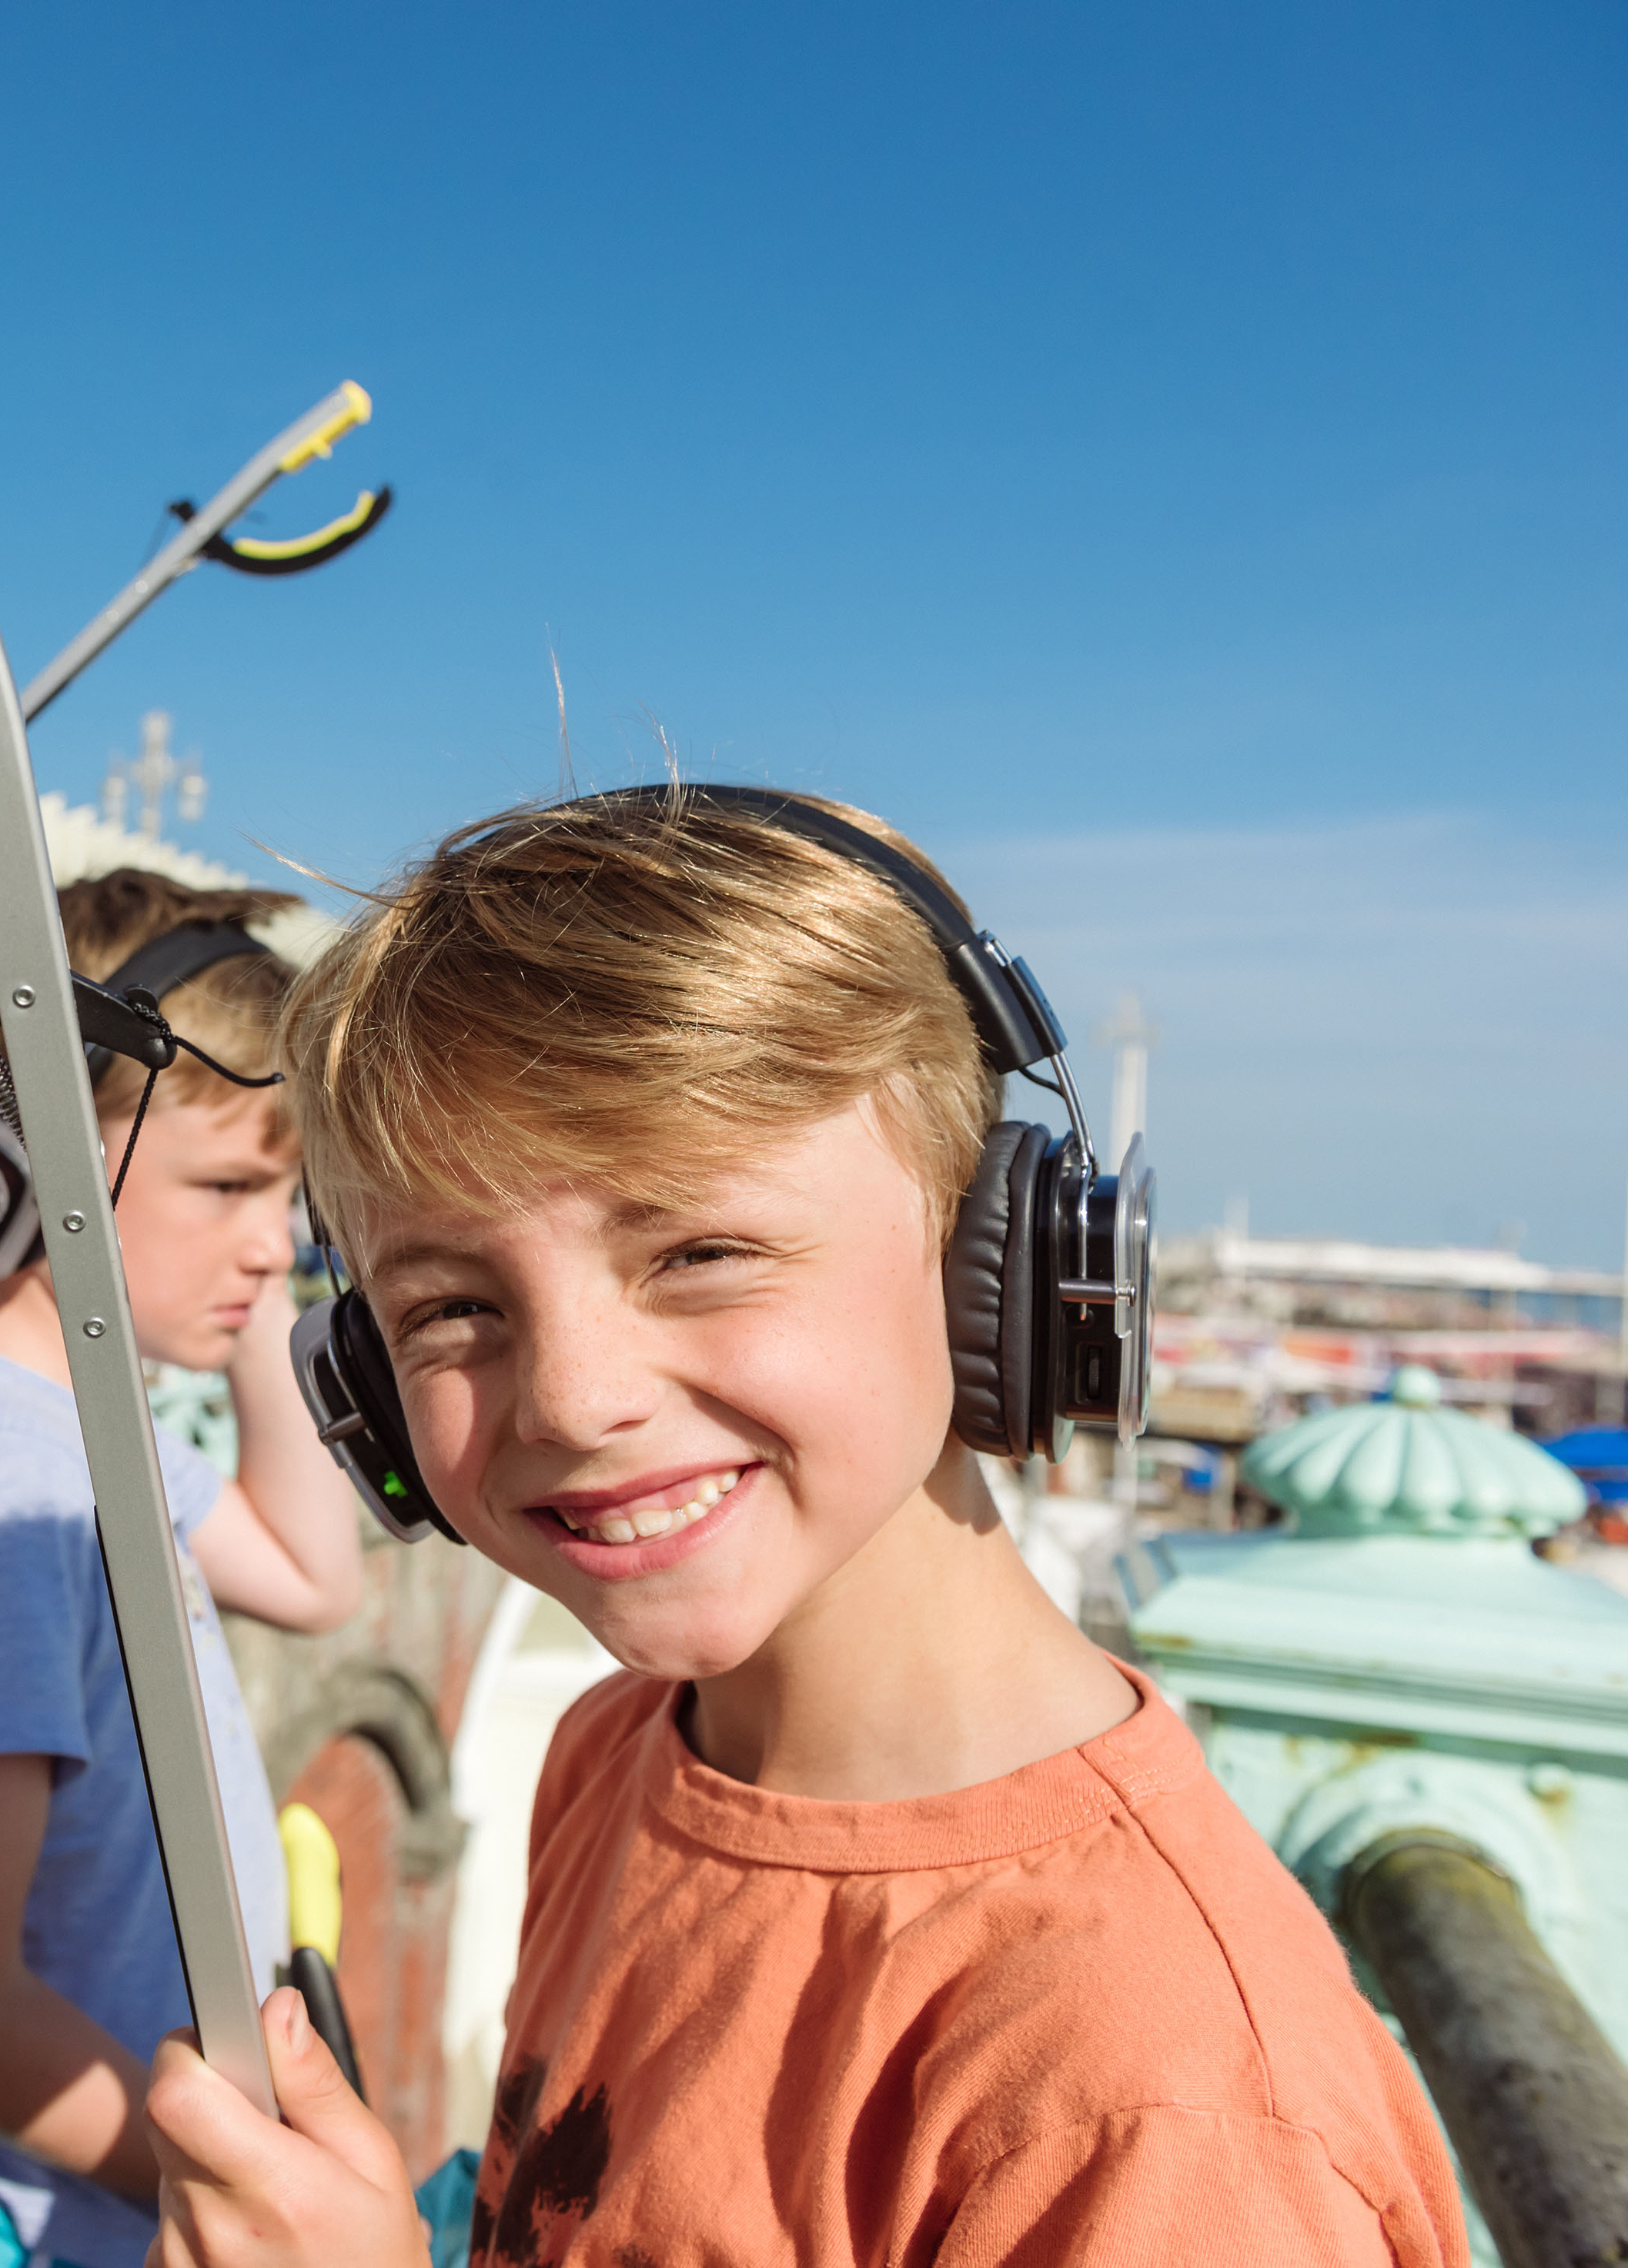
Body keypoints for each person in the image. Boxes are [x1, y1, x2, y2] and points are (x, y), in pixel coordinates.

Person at [141, 793, 1467, 2268]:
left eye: (702, 1250)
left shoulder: (1157, 2106)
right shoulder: (617, 1750)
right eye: (452, 1307)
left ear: (998, 1264)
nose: (575, 1400)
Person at [0, 872, 364, 2268]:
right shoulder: (3, 1489)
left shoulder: (79, 1417)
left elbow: (314, 1577)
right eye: (227, 1184)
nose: (274, 1239)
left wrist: (251, 1277)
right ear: (45, 1156)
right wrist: (236, 2200)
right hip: (23, 2222)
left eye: (290, 1190)